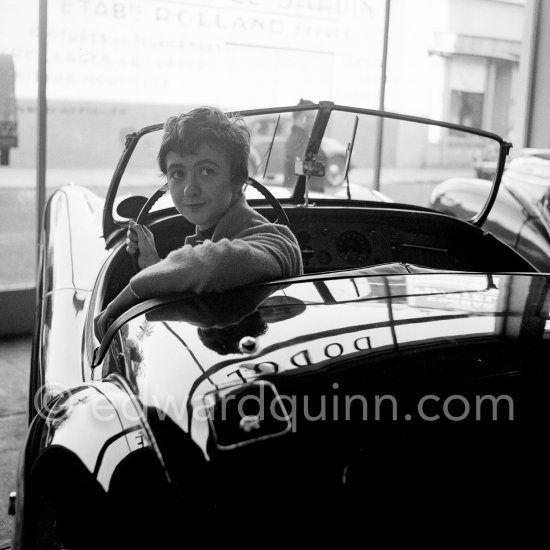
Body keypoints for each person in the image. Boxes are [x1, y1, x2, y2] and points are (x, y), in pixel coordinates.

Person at [95, 106, 303, 338]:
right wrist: (154, 267)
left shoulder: (276, 240)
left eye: (206, 171)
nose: (189, 190)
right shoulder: (201, 243)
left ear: (237, 179)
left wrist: (128, 295)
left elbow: (218, 263)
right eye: (177, 173)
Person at [283, 98, 326, 191]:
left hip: (305, 193)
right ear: (296, 118)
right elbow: (296, 168)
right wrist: (322, 167)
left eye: (314, 117)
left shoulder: (300, 138)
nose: (312, 121)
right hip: (306, 195)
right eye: (307, 117)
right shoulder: (299, 140)